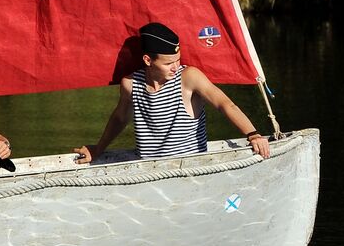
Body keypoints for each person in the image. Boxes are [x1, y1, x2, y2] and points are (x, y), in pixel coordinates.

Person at [74, 21, 271, 164]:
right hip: (150, 171)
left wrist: (253, 135)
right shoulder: (130, 84)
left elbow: (225, 104)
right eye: (168, 63)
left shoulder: (189, 77)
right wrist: (98, 149)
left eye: (177, 59)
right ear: (148, 60)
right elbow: (120, 118)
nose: (176, 66)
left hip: (192, 168)